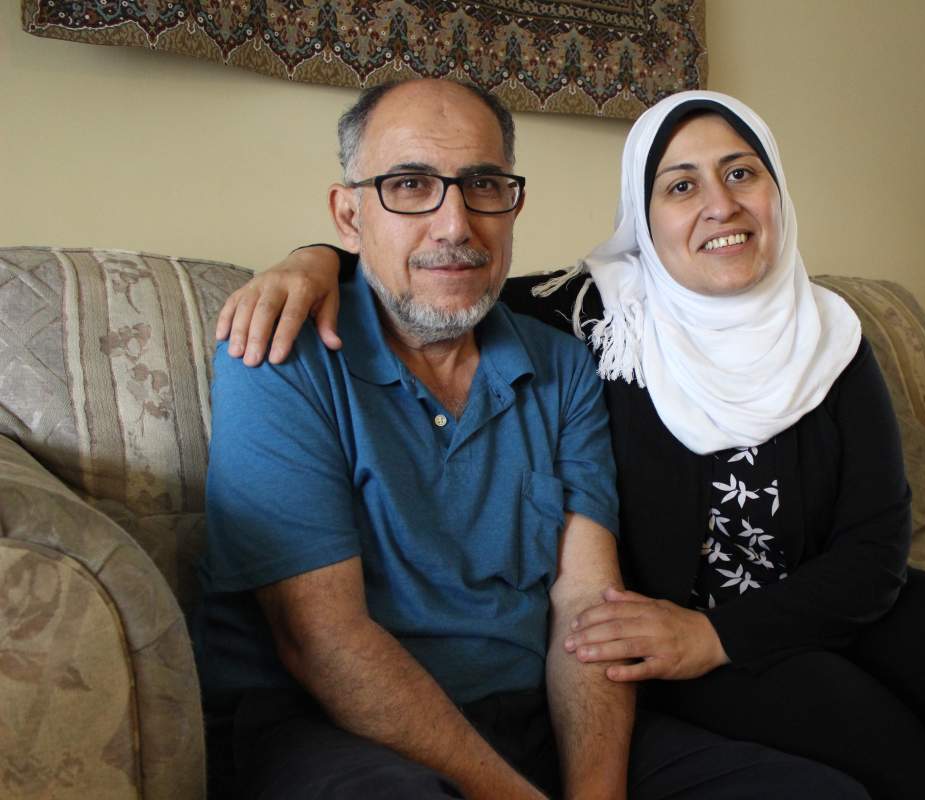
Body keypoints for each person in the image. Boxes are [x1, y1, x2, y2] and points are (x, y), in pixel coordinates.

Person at [218, 88, 925, 800]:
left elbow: (876, 551)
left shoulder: (833, 334)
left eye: (742, 173)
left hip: (799, 609)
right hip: (670, 638)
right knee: (879, 751)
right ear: (642, 216)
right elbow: (439, 275)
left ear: (777, 191)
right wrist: (314, 261)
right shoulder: (590, 319)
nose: (719, 205)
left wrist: (719, 635)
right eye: (681, 184)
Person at [194, 79, 868, 800]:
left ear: (512, 204)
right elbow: (321, 642)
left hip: (533, 716)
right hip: (332, 729)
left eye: (483, 184)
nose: (455, 224)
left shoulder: (564, 364)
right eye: (410, 185)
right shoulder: (279, 352)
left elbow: (587, 608)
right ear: (349, 216)